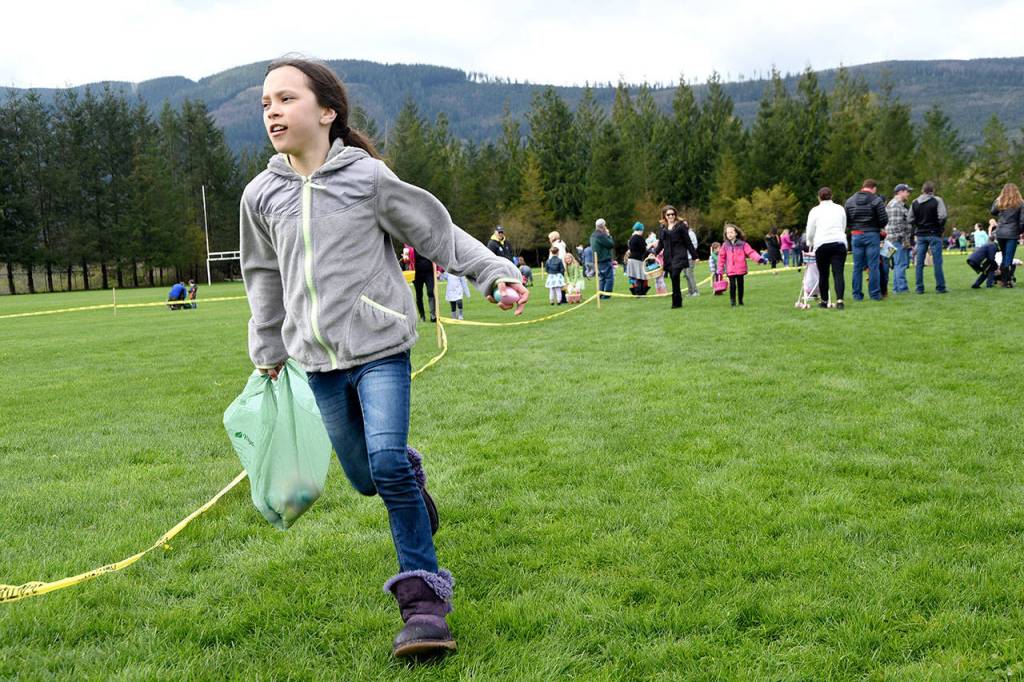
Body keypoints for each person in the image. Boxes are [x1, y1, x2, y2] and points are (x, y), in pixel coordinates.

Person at [242, 57, 528, 659]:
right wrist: (268, 346)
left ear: (327, 111)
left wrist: (494, 273)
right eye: (266, 103)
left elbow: (437, 234)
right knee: (367, 477)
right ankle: (411, 483)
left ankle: (424, 609)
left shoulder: (367, 178)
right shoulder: (260, 195)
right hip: (317, 362)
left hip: (380, 348)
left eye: (286, 99)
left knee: (387, 463)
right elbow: (263, 274)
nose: (272, 111)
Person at [844, 178, 889, 302]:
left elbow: (846, 220)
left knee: (857, 266)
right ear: (874, 188)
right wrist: (876, 227)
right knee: (873, 265)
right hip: (872, 234)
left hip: (856, 234)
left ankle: (857, 295)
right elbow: (884, 220)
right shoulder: (876, 200)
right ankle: (874, 294)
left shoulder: (850, 201)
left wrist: (854, 227)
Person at [806, 186, 848, 309]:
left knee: (823, 274)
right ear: (832, 196)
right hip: (839, 242)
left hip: (822, 243)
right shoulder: (840, 208)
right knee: (838, 273)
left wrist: (809, 242)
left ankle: (824, 301)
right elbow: (843, 225)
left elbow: (810, 230)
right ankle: (839, 300)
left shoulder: (814, 211)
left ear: (818, 198)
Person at [654, 205, 698, 309]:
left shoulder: (681, 226)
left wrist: (695, 256)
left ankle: (675, 302)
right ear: (664, 216)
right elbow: (661, 244)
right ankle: (678, 301)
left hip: (679, 255)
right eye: (668, 214)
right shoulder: (662, 228)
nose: (671, 216)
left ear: (675, 215)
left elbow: (688, 242)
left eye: (672, 214)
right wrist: (654, 253)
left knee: (675, 275)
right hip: (668, 257)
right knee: (674, 279)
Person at [909, 181, 949, 294]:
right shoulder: (937, 200)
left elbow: (910, 219)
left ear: (922, 190)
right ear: (933, 190)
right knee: (937, 262)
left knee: (919, 263)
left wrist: (918, 225)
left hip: (921, 234)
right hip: (934, 233)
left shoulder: (914, 202)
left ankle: (919, 288)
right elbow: (943, 216)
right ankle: (940, 287)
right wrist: (939, 227)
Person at [716, 223, 765, 307]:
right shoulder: (725, 245)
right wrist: (720, 269)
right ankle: (733, 302)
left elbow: (751, 252)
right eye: (728, 233)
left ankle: (740, 301)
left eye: (731, 232)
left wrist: (758, 258)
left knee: (740, 285)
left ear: (736, 233)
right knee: (732, 286)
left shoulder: (743, 244)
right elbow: (721, 257)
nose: (729, 234)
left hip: (740, 269)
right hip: (730, 269)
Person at [990, 182, 1023, 288]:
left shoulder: (1000, 202)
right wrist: (1019, 231)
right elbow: (1022, 221)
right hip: (1012, 233)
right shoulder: (1020, 203)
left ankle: (1004, 280)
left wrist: (997, 199)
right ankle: (1006, 281)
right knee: (1008, 258)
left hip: (1000, 233)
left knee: (1005, 256)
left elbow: (993, 211)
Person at [885, 183, 914, 294]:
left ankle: (896, 288)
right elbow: (897, 225)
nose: (908, 194)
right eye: (907, 191)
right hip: (897, 240)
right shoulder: (896, 205)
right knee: (900, 264)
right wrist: (905, 240)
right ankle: (902, 288)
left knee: (897, 264)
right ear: (900, 192)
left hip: (892, 239)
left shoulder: (895, 204)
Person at [590, 218, 615, 299]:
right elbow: (611, 244)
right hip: (604, 259)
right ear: (603, 226)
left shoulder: (592, 235)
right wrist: (608, 235)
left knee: (602, 278)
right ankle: (606, 295)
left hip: (596, 260)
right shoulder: (601, 236)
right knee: (609, 278)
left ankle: (600, 294)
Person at [412, 247, 437, 323]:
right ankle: (422, 316)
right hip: (417, 274)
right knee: (419, 295)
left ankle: (433, 315)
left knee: (430, 292)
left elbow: (436, 257)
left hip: (429, 273)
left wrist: (438, 270)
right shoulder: (412, 247)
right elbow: (409, 260)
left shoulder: (428, 245)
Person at [626, 222, 650, 296]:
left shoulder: (631, 238)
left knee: (634, 277)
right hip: (637, 260)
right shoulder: (639, 238)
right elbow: (644, 249)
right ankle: (640, 292)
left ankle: (636, 291)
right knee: (640, 277)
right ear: (640, 230)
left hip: (631, 259)